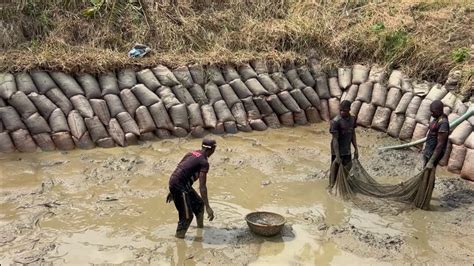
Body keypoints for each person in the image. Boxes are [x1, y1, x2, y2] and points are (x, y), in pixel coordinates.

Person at [167, 139, 216, 238]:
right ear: (213, 149)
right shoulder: (204, 162)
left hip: (180, 183)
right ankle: (179, 239)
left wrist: (171, 190)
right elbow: (202, 187)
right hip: (179, 186)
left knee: (199, 205)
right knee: (186, 217)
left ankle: (200, 230)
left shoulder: (191, 153)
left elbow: (179, 168)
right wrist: (208, 207)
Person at [328, 100, 359, 189]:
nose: (342, 112)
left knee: (347, 167)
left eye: (344, 110)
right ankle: (331, 186)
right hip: (337, 149)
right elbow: (335, 139)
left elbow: (352, 134)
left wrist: (356, 149)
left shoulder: (352, 119)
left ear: (349, 109)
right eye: (341, 110)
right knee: (335, 168)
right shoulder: (336, 121)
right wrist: (337, 156)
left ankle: (341, 184)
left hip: (347, 148)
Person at [422, 100, 450, 169]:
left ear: (439, 110)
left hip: (433, 152)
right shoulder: (436, 118)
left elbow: (440, 144)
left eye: (433, 111)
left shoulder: (444, 123)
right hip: (429, 149)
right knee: (424, 170)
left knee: (429, 171)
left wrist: (431, 161)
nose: (431, 113)